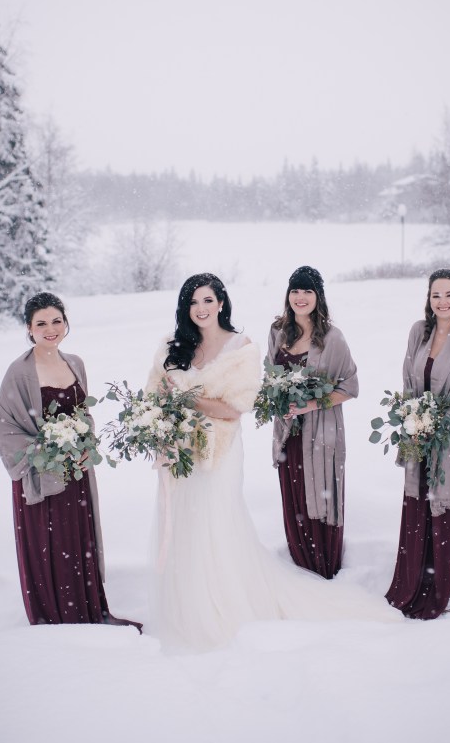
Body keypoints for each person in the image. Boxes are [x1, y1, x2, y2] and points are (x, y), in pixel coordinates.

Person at [145, 273, 395, 651]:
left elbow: (235, 407)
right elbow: (154, 393)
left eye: (208, 300)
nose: (201, 308)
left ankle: (223, 604)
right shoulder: (172, 346)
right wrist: (159, 423)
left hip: (221, 452)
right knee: (184, 520)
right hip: (182, 451)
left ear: (221, 303)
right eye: (194, 301)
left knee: (215, 521)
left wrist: (186, 400)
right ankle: (187, 604)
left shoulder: (239, 347)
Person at [0, 292, 142, 631]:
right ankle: (59, 618)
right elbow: (3, 427)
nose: (50, 329)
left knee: (77, 541)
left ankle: (88, 611)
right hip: (42, 477)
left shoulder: (74, 362)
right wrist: (45, 455)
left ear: (66, 323)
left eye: (56, 321)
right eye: (41, 323)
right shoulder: (19, 372)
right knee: (51, 545)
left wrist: (87, 444)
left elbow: (82, 414)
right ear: (29, 329)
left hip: (76, 473)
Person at [385, 269, 450, 619]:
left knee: (449, 512)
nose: (442, 302)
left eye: (449, 294)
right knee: (418, 506)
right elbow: (408, 378)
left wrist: (438, 421)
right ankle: (414, 579)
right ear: (428, 300)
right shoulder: (420, 331)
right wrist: (413, 416)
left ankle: (447, 584)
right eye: (435, 295)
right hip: (420, 434)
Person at [266, 266, 359, 578]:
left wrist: (308, 405)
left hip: (322, 434)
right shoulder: (277, 332)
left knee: (319, 497)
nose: (300, 297)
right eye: (295, 290)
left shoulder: (332, 339)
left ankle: (323, 569)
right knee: (294, 501)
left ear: (318, 296)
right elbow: (270, 377)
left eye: (307, 291)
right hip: (287, 435)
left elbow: (349, 387)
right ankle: (299, 569)